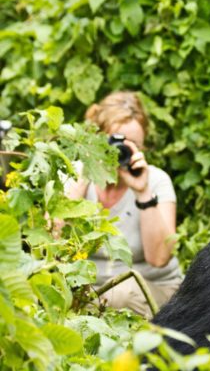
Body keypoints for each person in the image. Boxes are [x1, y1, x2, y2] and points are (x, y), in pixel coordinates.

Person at [66, 91, 182, 319]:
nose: (121, 152)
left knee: (121, 295)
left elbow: (159, 258)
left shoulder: (156, 181)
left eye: (133, 144)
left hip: (152, 290)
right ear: (97, 139)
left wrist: (142, 191)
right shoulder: (73, 174)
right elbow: (51, 242)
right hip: (88, 291)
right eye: (115, 142)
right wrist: (86, 176)